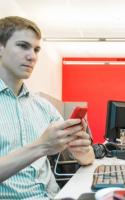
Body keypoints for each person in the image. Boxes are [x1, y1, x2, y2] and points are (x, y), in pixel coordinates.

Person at [0, 16, 95, 199]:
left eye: (36, 49)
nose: (32, 56)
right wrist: (42, 146)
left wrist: (82, 150)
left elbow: (88, 158)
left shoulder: (43, 107)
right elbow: (43, 146)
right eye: (22, 46)